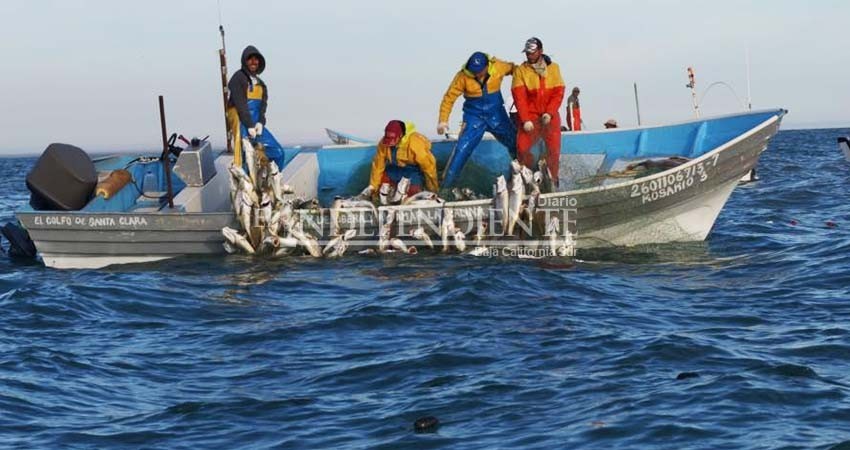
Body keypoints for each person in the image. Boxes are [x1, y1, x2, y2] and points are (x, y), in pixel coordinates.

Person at [438, 51, 517, 188]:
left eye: (479, 71)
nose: (477, 74)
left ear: (487, 66)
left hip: (497, 114)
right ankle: (446, 188)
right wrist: (443, 121)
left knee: (516, 143)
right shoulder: (462, 76)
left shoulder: (498, 66)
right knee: (461, 151)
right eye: (474, 71)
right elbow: (449, 98)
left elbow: (515, 69)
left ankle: (523, 175)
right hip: (474, 117)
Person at [511, 37, 565, 185]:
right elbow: (519, 97)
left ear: (540, 51)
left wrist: (550, 112)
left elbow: (558, 93)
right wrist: (525, 119)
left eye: (532, 53)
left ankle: (553, 179)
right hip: (530, 117)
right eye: (527, 53)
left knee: (554, 150)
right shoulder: (520, 71)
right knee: (522, 148)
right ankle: (525, 179)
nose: (528, 56)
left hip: (550, 116)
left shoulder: (554, 68)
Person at [226, 45, 285, 169]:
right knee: (242, 159)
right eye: (250, 58)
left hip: (256, 127)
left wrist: (260, 123)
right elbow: (240, 104)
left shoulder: (261, 85)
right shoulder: (238, 78)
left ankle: (271, 182)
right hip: (242, 123)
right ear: (244, 61)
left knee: (278, 152)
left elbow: (263, 107)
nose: (253, 61)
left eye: (256, 59)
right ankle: (244, 185)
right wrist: (248, 125)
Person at [369, 120, 439, 197]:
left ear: (401, 135)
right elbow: (378, 167)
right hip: (393, 169)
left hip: (412, 171)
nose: (389, 142)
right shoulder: (383, 143)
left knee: (412, 194)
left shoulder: (415, 144)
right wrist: (373, 189)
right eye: (387, 138)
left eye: (392, 139)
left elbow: (429, 168)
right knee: (381, 191)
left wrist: (433, 189)